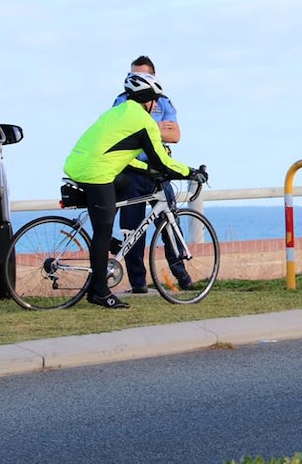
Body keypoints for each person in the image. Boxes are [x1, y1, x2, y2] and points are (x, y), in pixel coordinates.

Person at [63, 72, 206, 309]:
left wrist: (146, 170)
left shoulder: (117, 113)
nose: (158, 104)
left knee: (125, 185)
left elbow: (120, 154)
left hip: (81, 165)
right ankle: (99, 291)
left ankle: (111, 241)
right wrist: (190, 172)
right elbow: (162, 161)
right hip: (96, 173)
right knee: (102, 228)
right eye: (156, 99)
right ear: (147, 98)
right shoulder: (143, 121)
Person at [112, 55, 184, 294]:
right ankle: (138, 283)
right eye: (133, 76)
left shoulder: (163, 102)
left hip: (158, 171)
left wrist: (145, 130)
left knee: (170, 222)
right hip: (132, 171)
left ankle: (180, 272)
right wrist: (155, 128)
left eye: (143, 76)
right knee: (132, 229)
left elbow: (175, 135)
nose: (136, 80)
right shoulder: (121, 101)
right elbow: (120, 133)